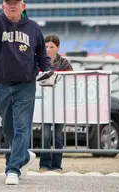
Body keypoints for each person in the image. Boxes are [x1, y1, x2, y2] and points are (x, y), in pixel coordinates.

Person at [0, 0, 53, 185]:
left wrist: (48, 70)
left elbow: (42, 54)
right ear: (3, 6)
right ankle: (24, 155)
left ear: (23, 6)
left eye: (16, 2)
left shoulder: (33, 28)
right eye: (9, 2)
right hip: (2, 83)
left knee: (22, 126)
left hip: (26, 84)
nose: (12, 5)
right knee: (8, 127)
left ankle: (13, 169)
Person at [39, 34, 73, 171]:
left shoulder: (64, 63)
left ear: (57, 48)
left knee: (58, 136)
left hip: (60, 104)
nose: (48, 49)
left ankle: (57, 165)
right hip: (45, 104)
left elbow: (71, 81)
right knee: (46, 136)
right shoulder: (39, 62)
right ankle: (44, 164)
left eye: (51, 46)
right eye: (46, 46)